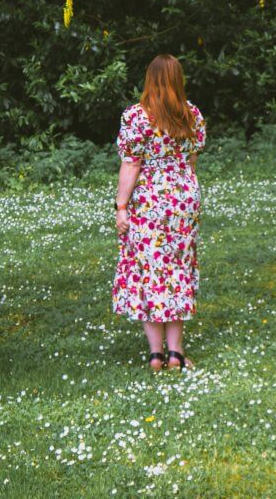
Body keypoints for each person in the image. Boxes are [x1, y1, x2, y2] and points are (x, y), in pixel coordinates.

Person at [112, 54, 206, 371]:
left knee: (149, 272)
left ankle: (155, 355)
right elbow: (192, 161)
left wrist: (121, 207)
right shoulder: (191, 115)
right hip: (183, 199)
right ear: (178, 79)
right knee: (178, 272)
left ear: (150, 80)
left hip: (149, 201)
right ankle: (176, 354)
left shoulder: (136, 117)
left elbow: (131, 163)